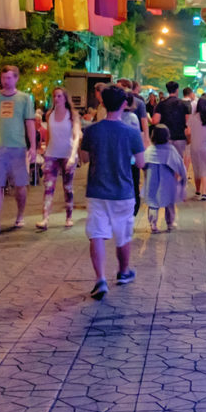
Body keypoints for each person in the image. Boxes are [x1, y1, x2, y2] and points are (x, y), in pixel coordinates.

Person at [80, 85, 145, 298]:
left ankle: (100, 279)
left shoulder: (91, 131)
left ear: (102, 103)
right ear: (125, 105)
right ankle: (124, 272)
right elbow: (141, 163)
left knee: (97, 234)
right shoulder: (132, 133)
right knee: (123, 235)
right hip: (123, 190)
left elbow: (84, 158)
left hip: (97, 189)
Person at [0, 65, 38, 234]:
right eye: (4, 78)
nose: (6, 81)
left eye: (9, 78)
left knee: (20, 185)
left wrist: (33, 146)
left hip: (18, 147)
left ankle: (20, 215)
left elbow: (30, 123)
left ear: (16, 78)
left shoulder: (24, 99)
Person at [37, 86, 81, 231]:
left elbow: (76, 136)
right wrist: (44, 155)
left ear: (65, 98)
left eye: (60, 96)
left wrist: (73, 156)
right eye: (55, 96)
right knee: (48, 186)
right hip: (52, 154)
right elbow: (49, 135)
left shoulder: (72, 115)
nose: (57, 99)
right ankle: (45, 218)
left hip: (67, 154)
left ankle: (69, 216)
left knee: (68, 187)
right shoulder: (50, 115)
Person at [144, 124, 185, 233]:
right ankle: (170, 224)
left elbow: (143, 163)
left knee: (153, 202)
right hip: (167, 181)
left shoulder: (150, 149)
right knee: (169, 202)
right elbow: (180, 164)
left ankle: (153, 224)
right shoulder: (170, 149)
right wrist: (183, 178)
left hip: (151, 180)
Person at [152, 81, 191, 183]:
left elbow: (155, 121)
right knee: (178, 160)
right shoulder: (183, 104)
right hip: (180, 137)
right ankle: (175, 181)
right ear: (177, 90)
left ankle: (168, 181)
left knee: (166, 161)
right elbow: (188, 122)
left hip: (165, 138)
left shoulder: (161, 104)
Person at [187, 96, 206, 201]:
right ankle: (204, 193)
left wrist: (190, 140)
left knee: (197, 168)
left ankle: (198, 190)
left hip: (194, 146)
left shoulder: (192, 117)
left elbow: (188, 132)